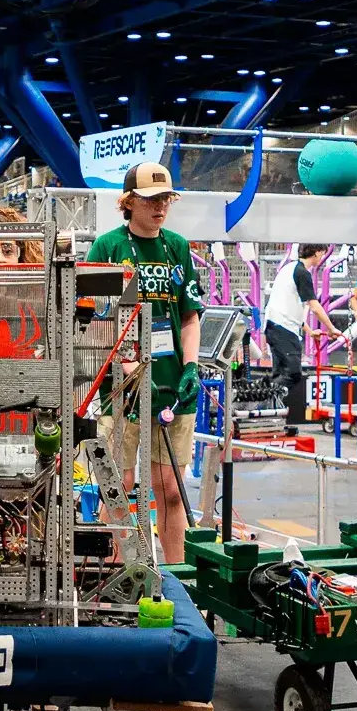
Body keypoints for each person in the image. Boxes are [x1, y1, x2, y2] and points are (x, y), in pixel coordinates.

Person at [85, 162, 205, 565]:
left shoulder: (178, 247)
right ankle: (116, 576)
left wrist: (191, 367)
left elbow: (189, 317)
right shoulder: (107, 248)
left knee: (170, 490)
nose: (160, 207)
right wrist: (129, 368)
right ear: (129, 202)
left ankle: (176, 576)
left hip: (172, 389)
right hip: (122, 392)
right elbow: (93, 321)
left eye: (166, 199)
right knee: (119, 487)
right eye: (151, 199)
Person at [262, 244, 335, 400]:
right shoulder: (302, 273)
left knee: (280, 374)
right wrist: (331, 329)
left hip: (274, 326)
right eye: (322, 253)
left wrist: (310, 331)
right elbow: (315, 307)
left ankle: (268, 405)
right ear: (317, 252)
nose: (322, 257)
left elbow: (291, 308)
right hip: (283, 329)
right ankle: (262, 399)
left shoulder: (289, 269)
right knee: (292, 374)